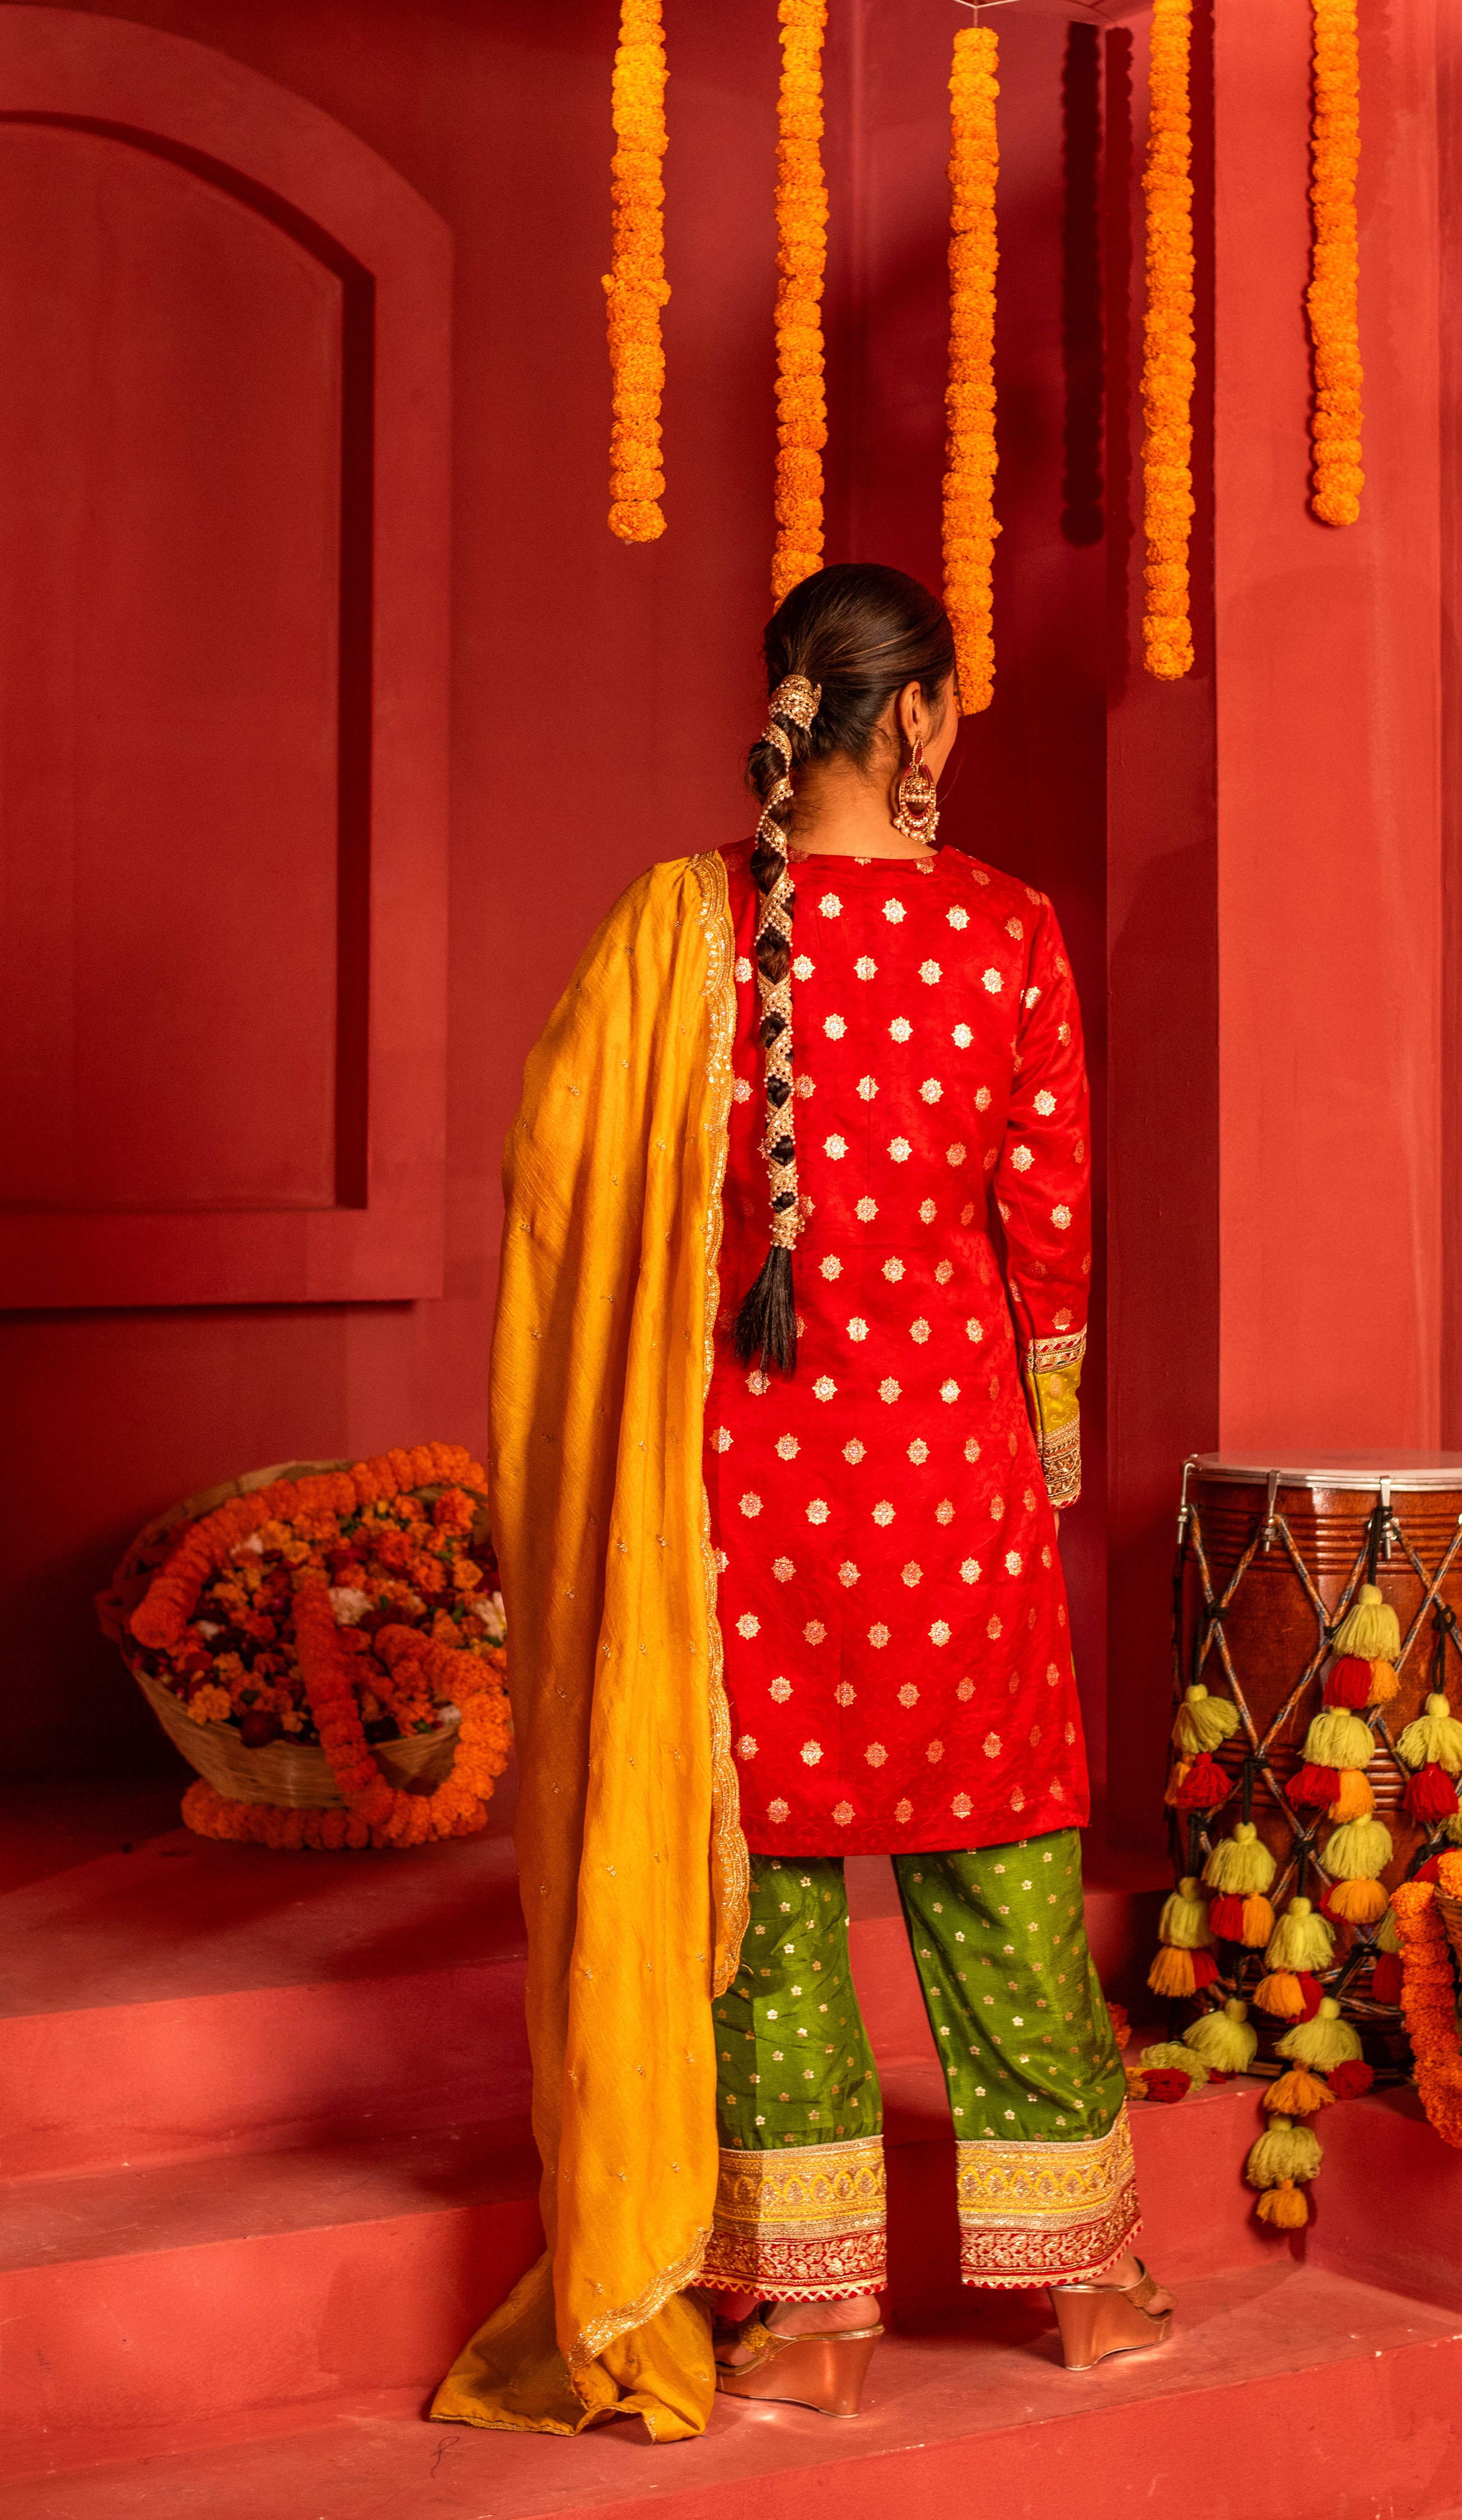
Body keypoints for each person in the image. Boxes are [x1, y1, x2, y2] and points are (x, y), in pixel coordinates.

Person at [432, 564, 1171, 2447]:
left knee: (760, 1897)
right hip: (951, 1483)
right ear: (916, 719)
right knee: (1002, 1859)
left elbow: (564, 1183)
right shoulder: (1008, 932)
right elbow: (1052, 1235)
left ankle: (819, 2305)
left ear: (787, 713)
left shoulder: (678, 931)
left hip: (743, 1492)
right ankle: (1088, 2277)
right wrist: (1051, 1449)